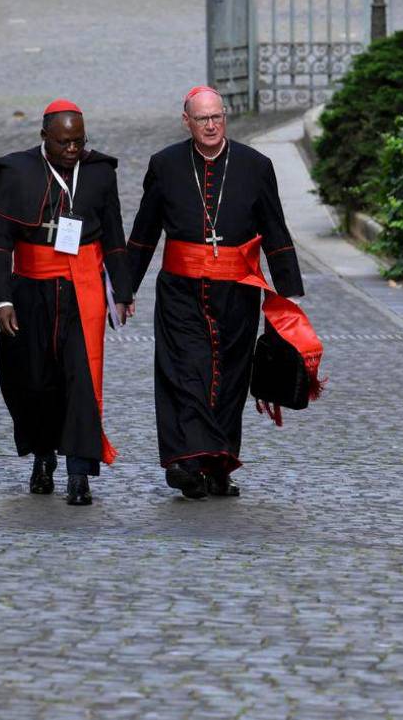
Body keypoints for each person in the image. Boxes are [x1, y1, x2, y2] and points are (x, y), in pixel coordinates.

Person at [127, 85, 323, 499]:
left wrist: (288, 293)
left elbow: (274, 228)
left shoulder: (255, 165)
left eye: (218, 117)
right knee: (186, 372)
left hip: (237, 291)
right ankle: (185, 462)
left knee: (231, 377)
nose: (212, 125)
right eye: (203, 119)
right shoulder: (165, 165)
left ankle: (218, 467)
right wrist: (125, 288)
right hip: (180, 291)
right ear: (187, 122)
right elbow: (144, 233)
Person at [0, 99, 135, 506]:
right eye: (64, 143)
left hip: (82, 290)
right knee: (34, 381)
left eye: (79, 141)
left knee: (81, 378)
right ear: (45, 138)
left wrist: (124, 292)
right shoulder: (17, 173)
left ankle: (79, 473)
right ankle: (43, 459)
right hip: (30, 291)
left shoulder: (99, 173)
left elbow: (113, 235)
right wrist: (2, 300)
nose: (73, 150)